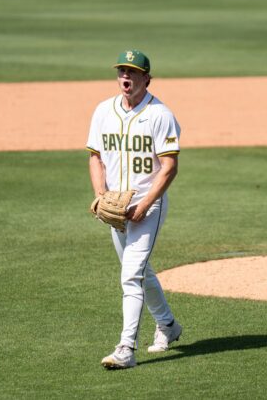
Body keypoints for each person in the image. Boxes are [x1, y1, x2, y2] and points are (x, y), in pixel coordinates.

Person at [86, 49, 182, 369]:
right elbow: (95, 156)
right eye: (121, 72)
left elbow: (169, 167)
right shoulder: (103, 111)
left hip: (148, 205)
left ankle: (126, 348)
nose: (126, 78)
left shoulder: (160, 115)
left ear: (146, 78)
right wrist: (101, 195)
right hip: (117, 207)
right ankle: (168, 326)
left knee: (130, 274)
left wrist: (146, 203)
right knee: (141, 272)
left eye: (133, 73)